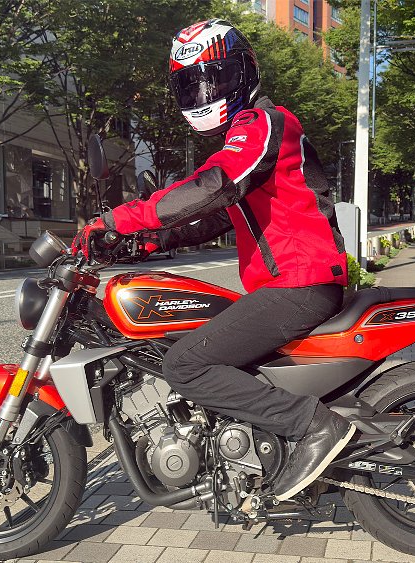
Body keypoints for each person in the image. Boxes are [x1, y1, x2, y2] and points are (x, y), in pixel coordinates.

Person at [70, 19, 355, 502]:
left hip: (300, 283)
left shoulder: (264, 123)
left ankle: (314, 428)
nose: (203, 91)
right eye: (191, 82)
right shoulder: (242, 138)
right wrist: (147, 244)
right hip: (285, 285)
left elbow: (215, 186)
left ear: (241, 74)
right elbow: (222, 216)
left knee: (186, 366)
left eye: (213, 78)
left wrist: (121, 219)